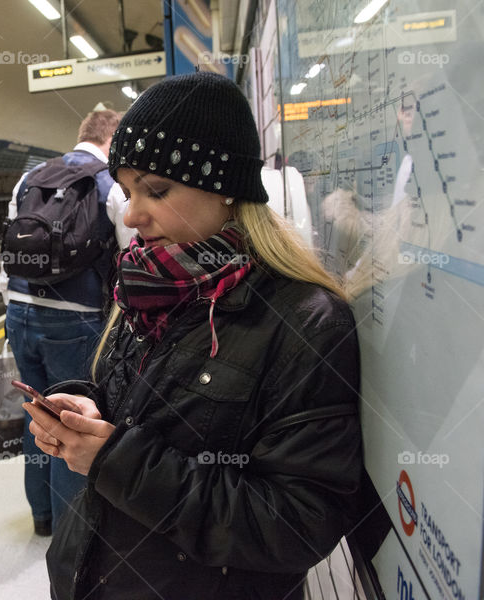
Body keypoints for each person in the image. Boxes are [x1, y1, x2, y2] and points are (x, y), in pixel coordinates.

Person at [24, 72, 380, 599]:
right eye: (126, 190)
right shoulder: (146, 288)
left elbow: (298, 524)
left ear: (226, 190)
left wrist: (116, 460)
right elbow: (141, 403)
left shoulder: (304, 320)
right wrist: (89, 405)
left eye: (157, 189)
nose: (131, 212)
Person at [0, 109, 135, 537]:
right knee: (72, 425)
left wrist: (14, 306)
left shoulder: (29, 178)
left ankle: (41, 518)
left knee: (35, 417)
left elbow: (7, 251)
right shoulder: (108, 184)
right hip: (76, 323)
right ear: (110, 141)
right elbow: (133, 259)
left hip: (19, 313)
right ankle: (70, 532)